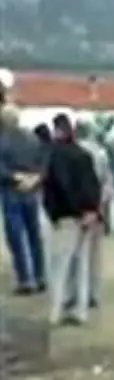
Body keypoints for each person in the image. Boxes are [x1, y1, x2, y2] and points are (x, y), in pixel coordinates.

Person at [43, 112, 102, 326]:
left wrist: (53, 213)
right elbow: (94, 185)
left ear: (57, 130)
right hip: (86, 217)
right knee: (82, 264)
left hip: (66, 216)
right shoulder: (84, 155)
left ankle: (56, 310)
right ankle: (81, 310)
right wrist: (92, 210)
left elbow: (55, 186)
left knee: (60, 266)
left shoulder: (55, 156)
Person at [0, 104, 47, 294]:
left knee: (16, 236)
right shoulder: (32, 138)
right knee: (34, 234)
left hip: (11, 190)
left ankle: (25, 279)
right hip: (31, 191)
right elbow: (43, 160)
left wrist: (14, 177)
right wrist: (35, 177)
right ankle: (40, 275)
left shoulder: (2, 140)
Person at [69, 120, 114, 311]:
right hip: (96, 210)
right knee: (94, 255)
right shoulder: (101, 154)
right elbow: (107, 185)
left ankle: (75, 293)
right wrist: (102, 209)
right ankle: (93, 293)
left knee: (75, 255)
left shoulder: (71, 153)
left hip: (75, 210)